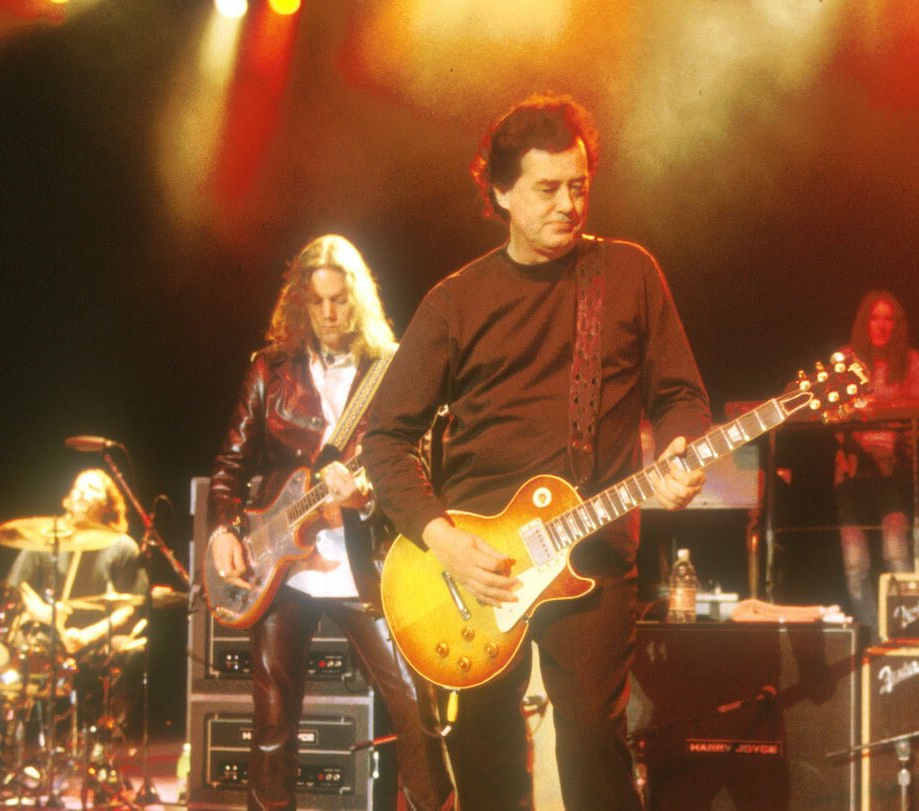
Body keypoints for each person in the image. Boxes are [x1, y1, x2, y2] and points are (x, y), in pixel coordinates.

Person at [360, 94, 711, 810]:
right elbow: (384, 439)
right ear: (500, 192)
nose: (569, 204)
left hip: (594, 552)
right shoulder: (456, 301)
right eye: (548, 188)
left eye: (579, 185)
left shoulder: (629, 274)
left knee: (591, 741)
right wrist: (444, 541)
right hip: (476, 569)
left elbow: (681, 394)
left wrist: (680, 451)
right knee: (485, 754)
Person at [206, 234, 452, 811]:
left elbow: (413, 463)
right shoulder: (269, 370)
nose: (328, 314)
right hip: (282, 570)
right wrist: (222, 530)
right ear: (299, 304)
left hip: (362, 563)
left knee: (418, 707)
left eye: (339, 300)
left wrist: (366, 497)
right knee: (272, 727)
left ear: (357, 298)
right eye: (315, 302)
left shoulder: (390, 370)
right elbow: (229, 465)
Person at [5, 468, 147, 727]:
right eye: (78, 487)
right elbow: (17, 588)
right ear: (68, 498)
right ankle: (5, 734)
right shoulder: (47, 537)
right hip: (48, 633)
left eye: (92, 488)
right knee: (7, 647)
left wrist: (87, 636)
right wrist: (45, 614)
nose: (82, 493)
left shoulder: (123, 546)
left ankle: (106, 735)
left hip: (95, 638)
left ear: (107, 505)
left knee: (132, 650)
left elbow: (129, 608)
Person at [834, 291, 919, 643]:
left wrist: (895, 449)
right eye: (875, 317)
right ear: (864, 322)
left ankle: (903, 635)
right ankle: (875, 639)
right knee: (856, 566)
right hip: (852, 470)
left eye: (888, 318)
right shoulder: (845, 359)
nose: (881, 324)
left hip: (893, 472)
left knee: (896, 555)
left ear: (897, 325)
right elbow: (832, 413)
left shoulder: (912, 362)